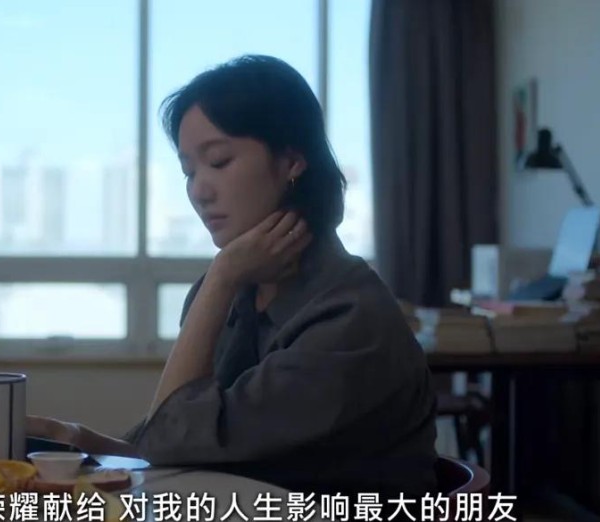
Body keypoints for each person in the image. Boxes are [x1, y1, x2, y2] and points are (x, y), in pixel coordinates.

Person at [27, 54, 438, 496]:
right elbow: (175, 448)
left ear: (292, 161)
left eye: (219, 162)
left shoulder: (349, 318)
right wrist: (72, 438)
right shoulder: (234, 292)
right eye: (189, 171)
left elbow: (173, 440)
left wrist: (221, 277)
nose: (199, 191)